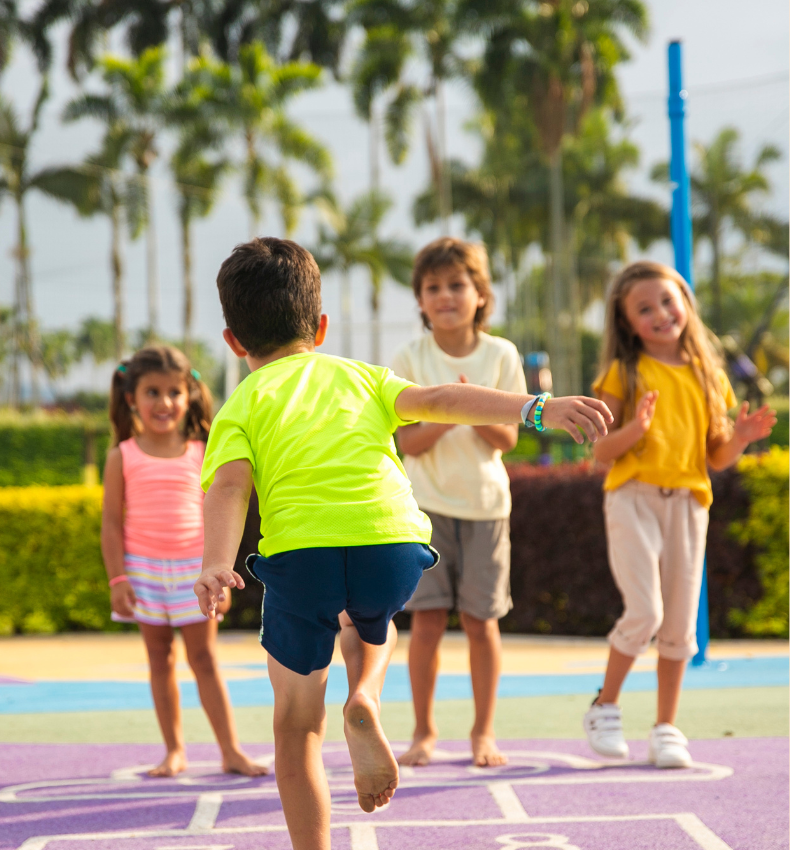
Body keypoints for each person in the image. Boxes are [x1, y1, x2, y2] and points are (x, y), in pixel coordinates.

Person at [192, 237, 613, 850]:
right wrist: (536, 407)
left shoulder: (239, 407)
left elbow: (229, 488)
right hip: (388, 543)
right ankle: (365, 695)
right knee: (375, 621)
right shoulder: (361, 377)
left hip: (299, 556)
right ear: (321, 326)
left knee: (296, 724)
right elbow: (440, 401)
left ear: (234, 340)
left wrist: (215, 564)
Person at [585, 261, 776, 769]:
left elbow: (716, 457)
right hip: (633, 498)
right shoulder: (622, 373)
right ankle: (605, 706)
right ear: (627, 324)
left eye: (668, 302)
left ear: (686, 305)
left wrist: (740, 438)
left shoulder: (710, 377)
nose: (660, 314)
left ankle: (666, 727)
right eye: (644, 309)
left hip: (689, 504)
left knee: (679, 622)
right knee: (645, 611)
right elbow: (602, 451)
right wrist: (637, 430)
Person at [101, 345, 268, 779]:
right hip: (144, 574)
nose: (164, 403)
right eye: (152, 392)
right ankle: (174, 751)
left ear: (189, 394)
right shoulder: (122, 455)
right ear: (131, 398)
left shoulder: (203, 449)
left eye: (174, 392)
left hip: (196, 573)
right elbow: (112, 526)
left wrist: (220, 573)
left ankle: (231, 750)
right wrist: (118, 579)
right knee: (159, 660)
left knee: (206, 660)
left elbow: (226, 510)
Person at [391, 238, 525, 768]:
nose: (445, 295)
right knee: (425, 623)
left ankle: (482, 734)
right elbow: (406, 441)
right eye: (433, 287)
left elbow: (507, 439)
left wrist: (470, 406)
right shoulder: (410, 358)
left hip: (487, 508)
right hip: (423, 510)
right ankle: (424, 731)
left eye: (456, 285)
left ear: (479, 293)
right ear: (420, 300)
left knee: (480, 622)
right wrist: (445, 406)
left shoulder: (501, 354)